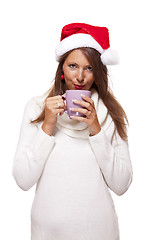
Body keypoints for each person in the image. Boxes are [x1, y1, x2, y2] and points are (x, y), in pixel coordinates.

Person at [12, 23, 133, 240]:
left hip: (99, 232)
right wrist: (47, 126)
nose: (80, 77)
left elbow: (122, 184)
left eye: (89, 68)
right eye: (73, 66)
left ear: (97, 73)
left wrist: (96, 129)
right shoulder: (37, 108)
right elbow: (22, 179)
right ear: (61, 70)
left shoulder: (110, 113)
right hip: (47, 233)